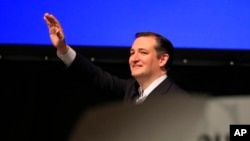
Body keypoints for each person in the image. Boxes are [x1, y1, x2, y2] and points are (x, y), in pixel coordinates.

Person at [43, 13, 188, 104]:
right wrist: (62, 48)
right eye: (132, 52)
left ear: (162, 59)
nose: (134, 58)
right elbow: (94, 75)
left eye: (143, 52)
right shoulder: (131, 89)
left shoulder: (178, 101)